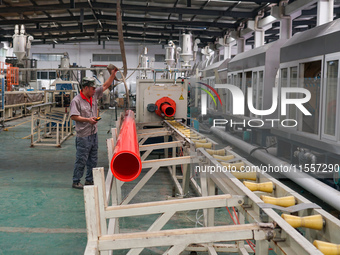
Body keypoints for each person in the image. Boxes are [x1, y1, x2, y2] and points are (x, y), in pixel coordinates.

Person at [70, 66, 118, 189]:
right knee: (81, 159)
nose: (94, 90)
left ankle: (89, 180)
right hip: (83, 135)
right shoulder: (76, 101)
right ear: (86, 88)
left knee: (93, 158)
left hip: (93, 133)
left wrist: (113, 74)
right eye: (92, 88)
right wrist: (87, 120)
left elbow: (106, 85)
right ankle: (76, 181)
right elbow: (74, 116)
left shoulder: (94, 95)